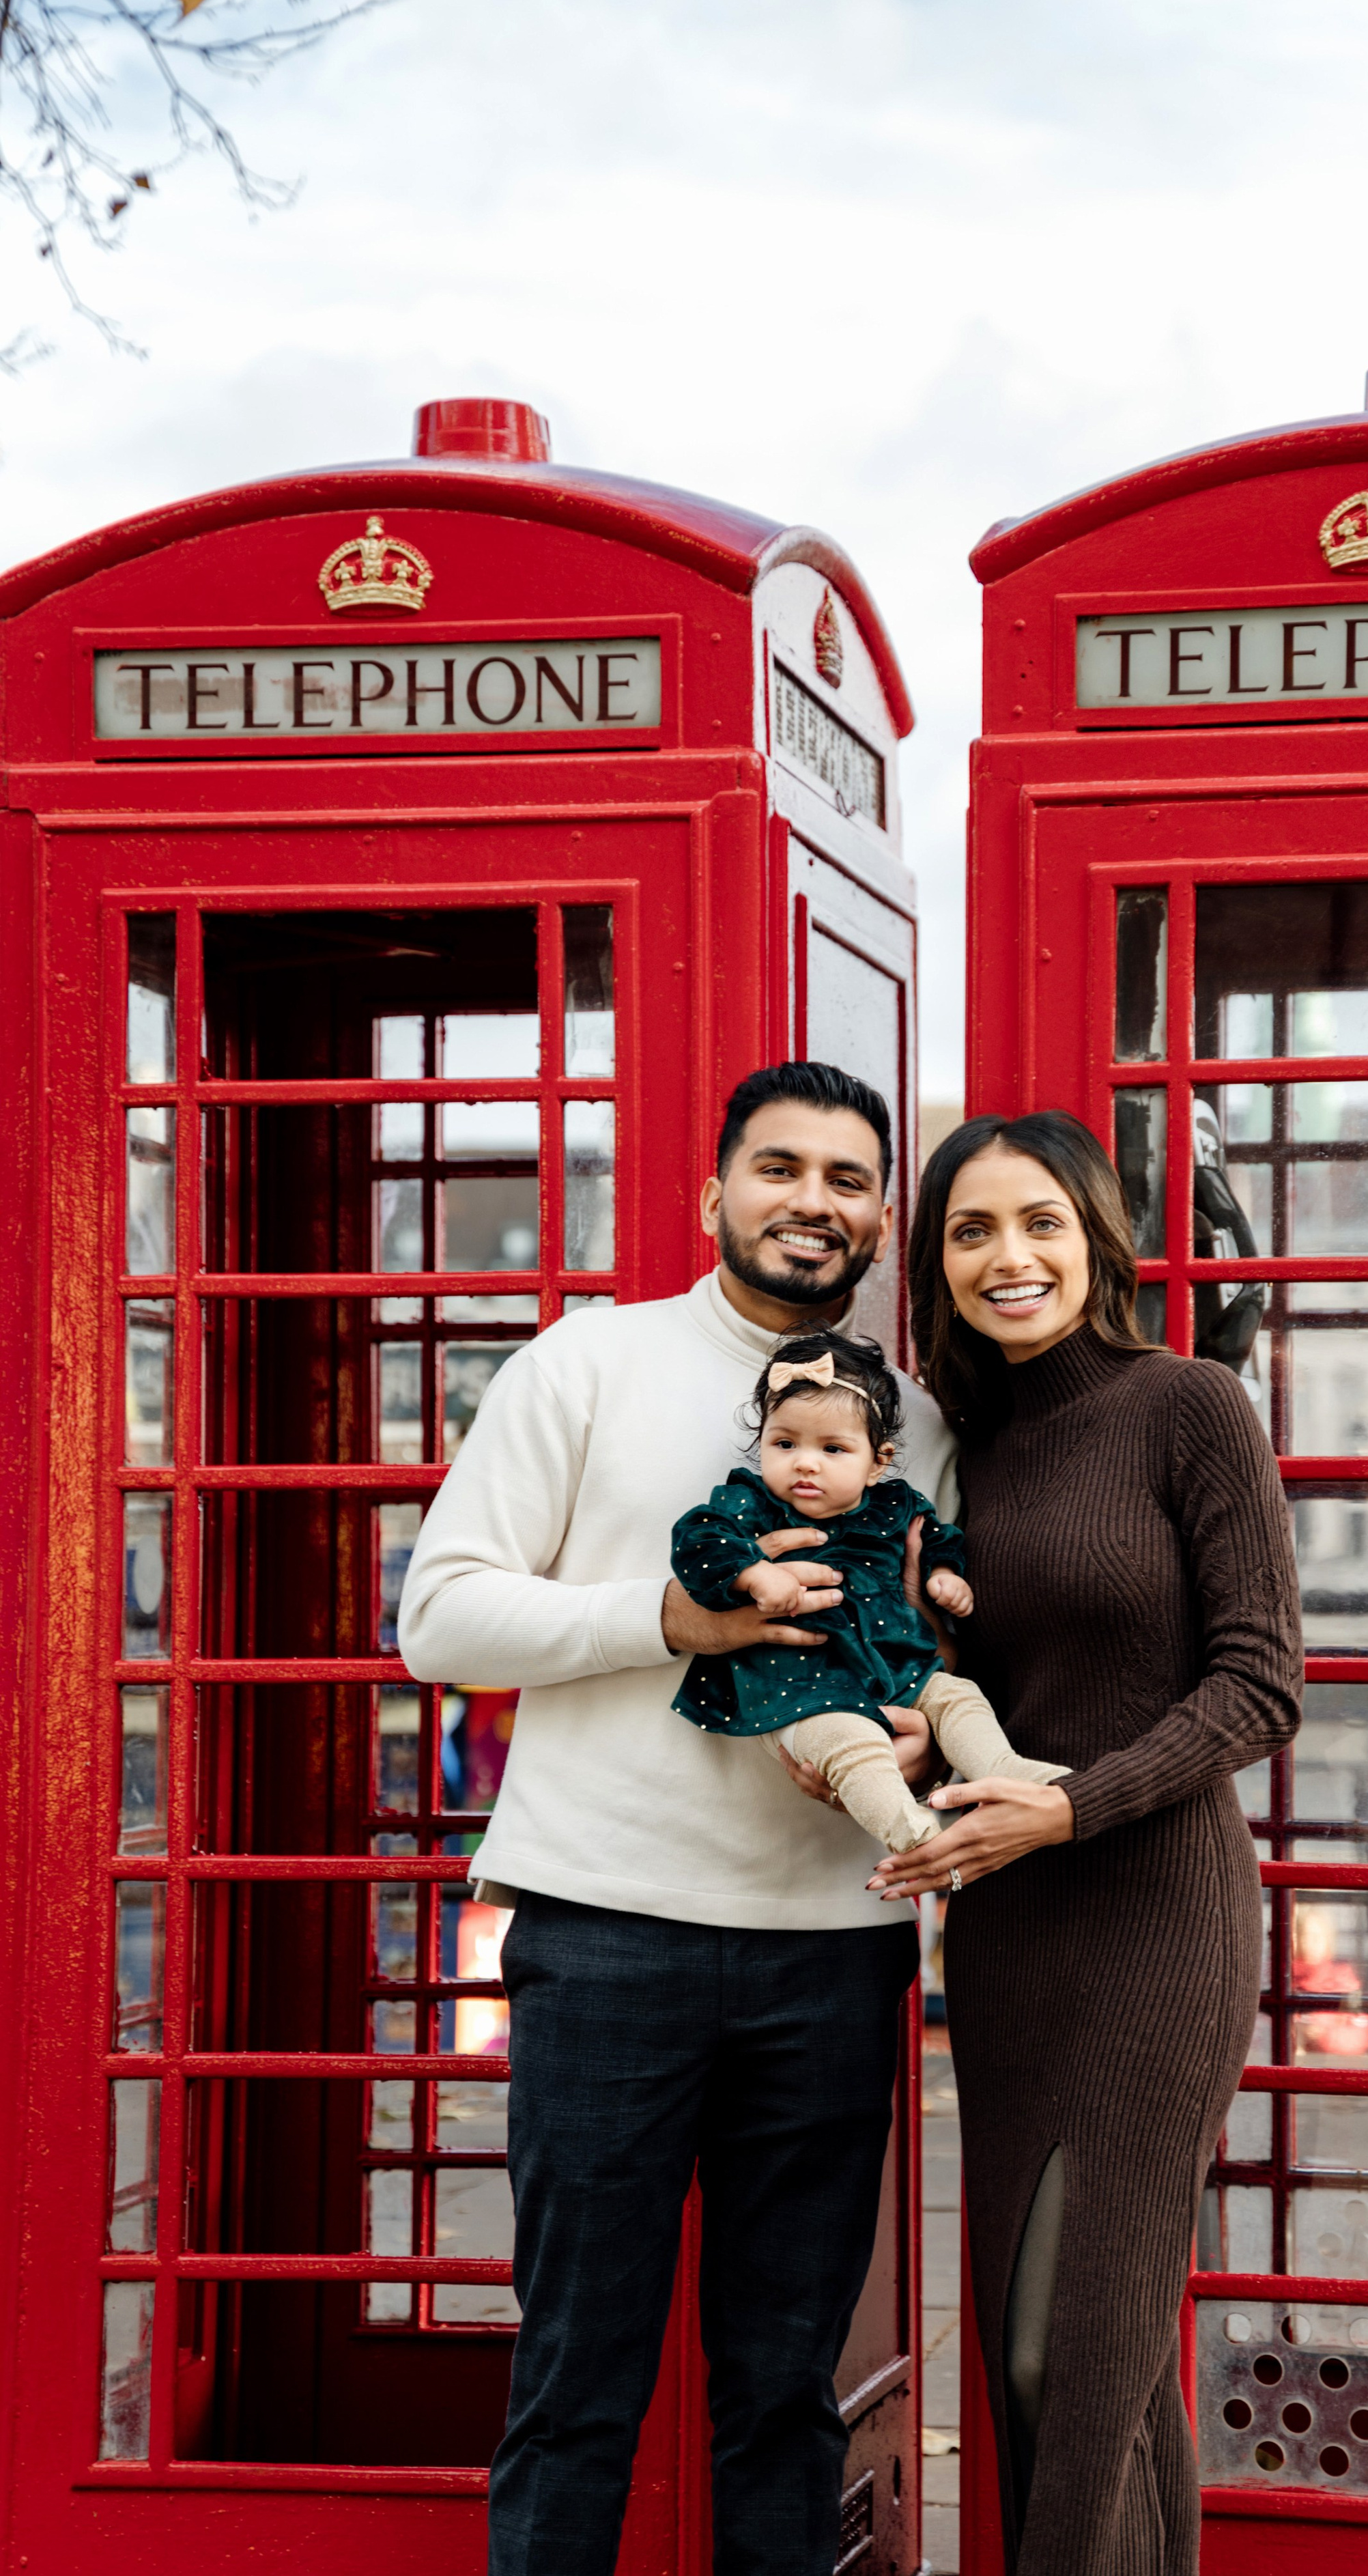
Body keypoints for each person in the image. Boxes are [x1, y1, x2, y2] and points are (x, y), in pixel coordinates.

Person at [397, 1062, 955, 2576]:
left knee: (784, 2398)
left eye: (847, 1180)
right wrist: (672, 1618)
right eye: (779, 1169)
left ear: (878, 1217)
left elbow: (932, 1635)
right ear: (712, 1196)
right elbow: (439, 1619)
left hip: (832, 1952)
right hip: (604, 1938)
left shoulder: (907, 1417)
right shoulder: (586, 1366)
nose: (812, 1202)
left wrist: (913, 1711)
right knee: (577, 2387)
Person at [872, 1109, 1303, 2576]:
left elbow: (1260, 1682)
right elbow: (971, 1681)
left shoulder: (1188, 1407)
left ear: (1095, 1240)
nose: (1009, 1256)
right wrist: (930, 1732)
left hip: (1152, 1919)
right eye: (972, 1229)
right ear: (936, 1263)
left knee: (1076, 2354)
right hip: (1007, 1940)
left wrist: (1067, 1801)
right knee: (1061, 2364)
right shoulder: (956, 1447)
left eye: (1040, 1221)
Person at [671, 1325, 1068, 1852]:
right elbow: (698, 1541)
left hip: (896, 1664)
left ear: (877, 1461)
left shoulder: (895, 1506)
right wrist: (752, 1573)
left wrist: (943, 1577)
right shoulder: (751, 1503)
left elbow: (940, 1540)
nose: (805, 1462)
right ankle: (905, 1828)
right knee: (850, 1741)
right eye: (784, 1443)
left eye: (833, 1448)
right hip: (798, 1687)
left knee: (958, 1696)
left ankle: (1002, 1767)